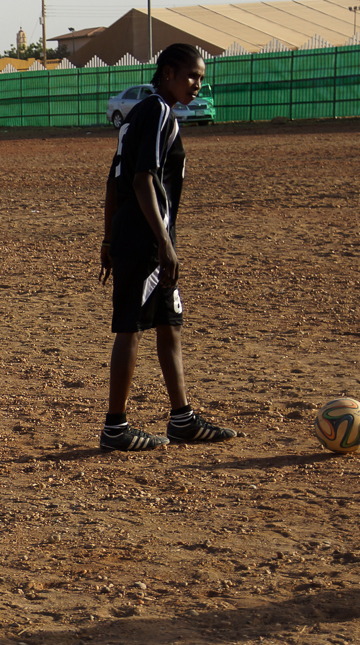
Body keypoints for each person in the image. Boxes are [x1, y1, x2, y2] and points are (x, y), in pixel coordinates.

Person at [98, 43, 238, 452]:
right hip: (145, 241)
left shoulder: (141, 114)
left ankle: (182, 419)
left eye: (201, 77)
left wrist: (108, 238)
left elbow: (113, 181)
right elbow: (141, 179)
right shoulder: (158, 112)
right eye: (192, 75)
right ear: (168, 72)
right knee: (130, 327)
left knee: (169, 324)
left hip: (136, 236)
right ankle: (115, 427)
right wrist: (163, 243)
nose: (198, 84)